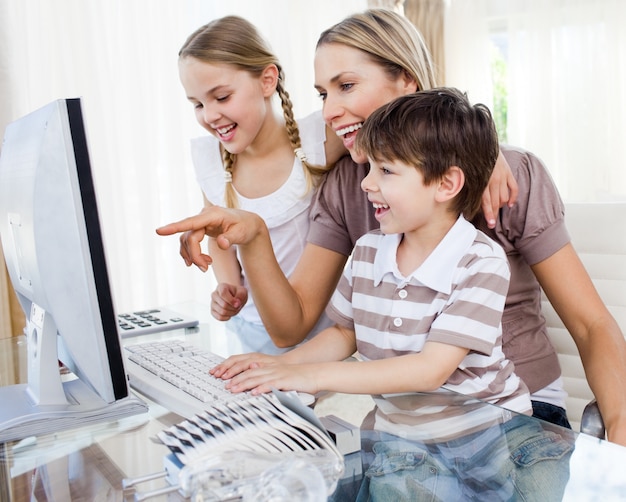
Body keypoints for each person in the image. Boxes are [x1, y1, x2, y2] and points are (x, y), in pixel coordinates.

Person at [157, 9, 626, 446]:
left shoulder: (509, 176)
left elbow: (590, 325)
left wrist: (621, 434)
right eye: (323, 93)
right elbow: (303, 326)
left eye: (345, 86)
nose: (330, 111)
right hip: (405, 419)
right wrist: (254, 238)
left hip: (511, 414)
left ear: (407, 81)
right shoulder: (348, 185)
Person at [209, 88, 532, 418]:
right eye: (370, 168)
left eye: (386, 171)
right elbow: (345, 333)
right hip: (406, 434)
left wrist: (310, 376)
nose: (366, 183)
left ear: (446, 184)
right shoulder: (367, 251)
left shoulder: (480, 263)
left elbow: (429, 370)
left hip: (488, 433)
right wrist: (280, 365)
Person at [176, 15, 344, 353]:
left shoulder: (319, 139)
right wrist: (228, 287)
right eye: (197, 104)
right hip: (251, 332)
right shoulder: (210, 160)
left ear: (267, 80)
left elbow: (400, 126)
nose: (209, 115)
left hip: (322, 335)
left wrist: (484, 164)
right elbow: (219, 237)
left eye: (221, 97)